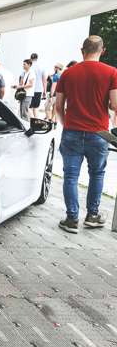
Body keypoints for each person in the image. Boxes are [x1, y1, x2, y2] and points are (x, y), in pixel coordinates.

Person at [55, 35, 117, 234]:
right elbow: (115, 105)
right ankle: (92, 216)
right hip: (99, 132)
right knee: (97, 173)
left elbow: (58, 107)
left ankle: (72, 219)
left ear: (82, 50)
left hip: (72, 130)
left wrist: (67, 125)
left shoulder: (68, 73)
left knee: (71, 176)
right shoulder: (112, 73)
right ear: (103, 50)